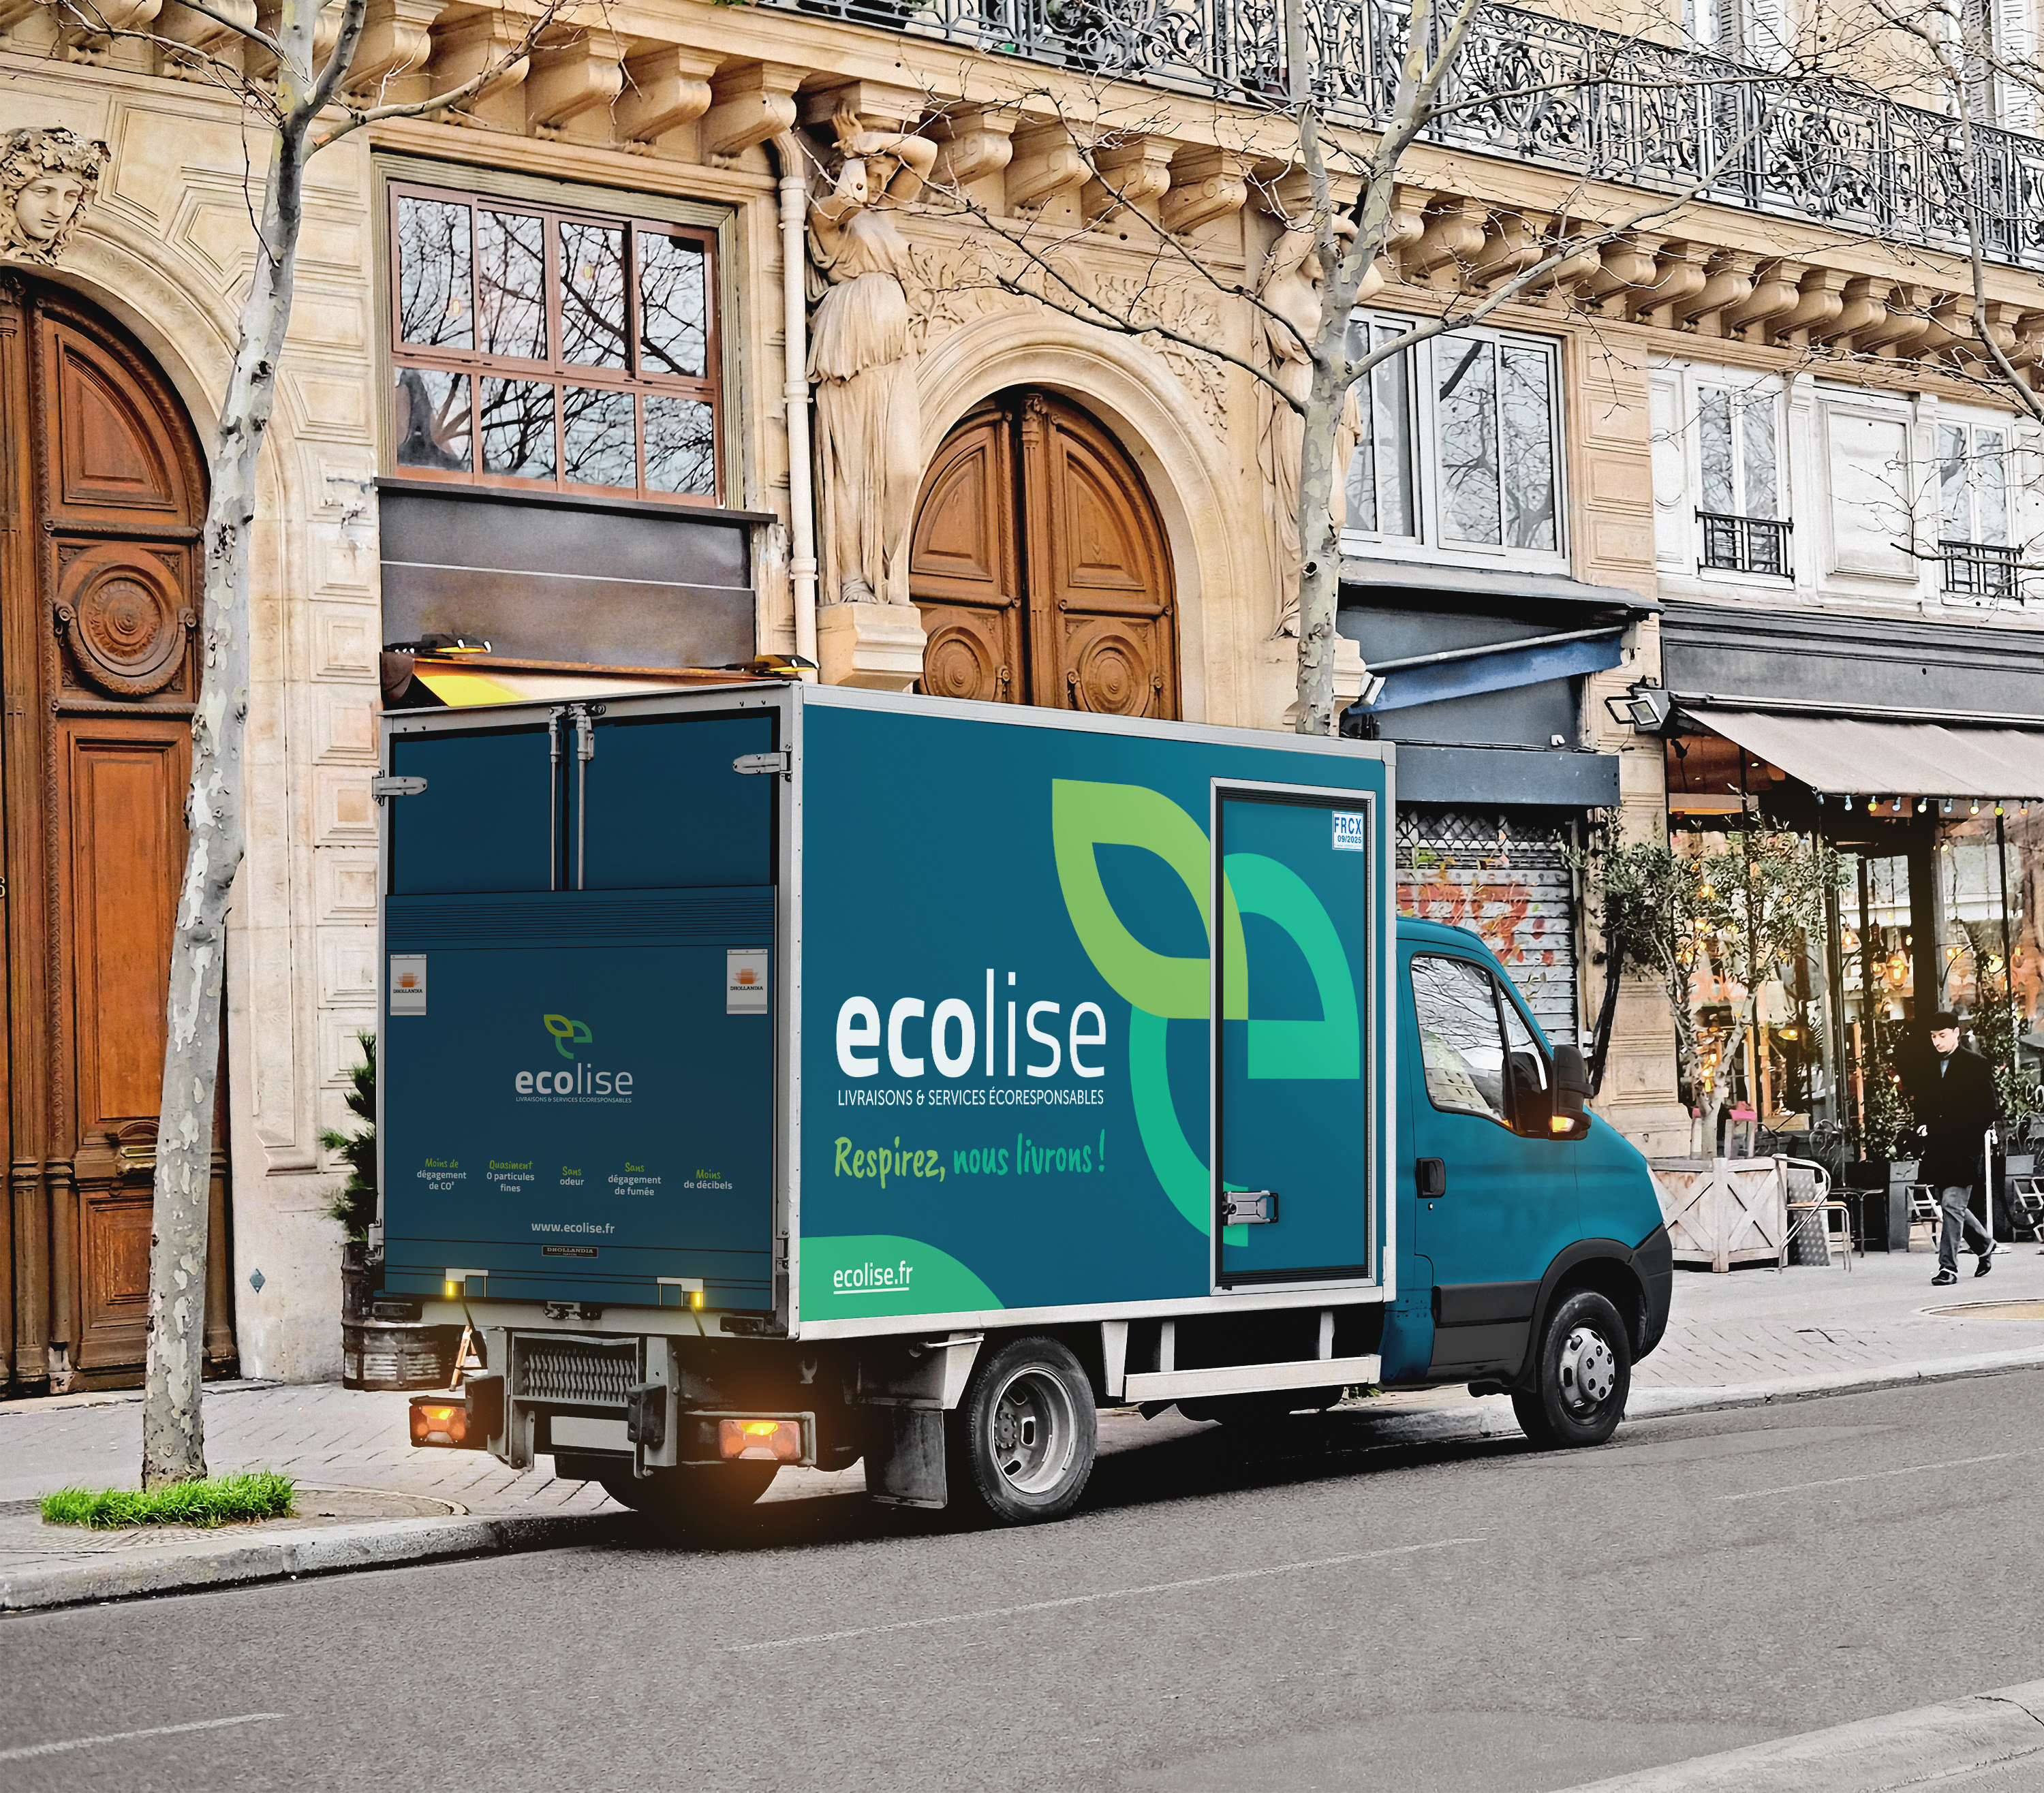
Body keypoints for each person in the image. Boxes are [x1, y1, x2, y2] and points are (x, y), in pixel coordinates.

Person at [1914, 1011, 2002, 1285]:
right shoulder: (1929, 1065)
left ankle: (1947, 1268)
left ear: (1956, 1033)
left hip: (1964, 1146)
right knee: (1951, 1206)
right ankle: (1985, 1244)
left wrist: (1967, 1130)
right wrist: (1922, 1125)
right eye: (1933, 1037)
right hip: (1939, 1147)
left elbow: (1990, 1108)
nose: (1937, 1042)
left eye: (1942, 1036)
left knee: (1952, 1204)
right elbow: (1924, 1103)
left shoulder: (1976, 1064)